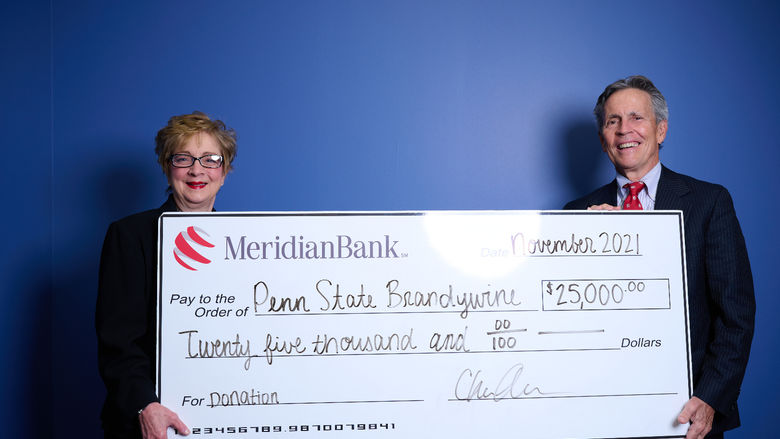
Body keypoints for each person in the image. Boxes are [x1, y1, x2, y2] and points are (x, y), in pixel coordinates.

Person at [564, 76, 755, 438]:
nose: (624, 130)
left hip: (686, 414)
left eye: (637, 118)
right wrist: (594, 248)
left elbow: (737, 316)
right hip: (600, 412)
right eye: (612, 121)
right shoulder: (576, 214)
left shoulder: (708, 203)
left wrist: (710, 398)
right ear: (603, 138)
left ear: (661, 130)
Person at [96, 111, 237, 438]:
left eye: (210, 159)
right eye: (183, 158)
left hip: (230, 418)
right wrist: (145, 405)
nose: (197, 170)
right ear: (165, 166)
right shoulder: (130, 236)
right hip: (151, 423)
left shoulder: (247, 243)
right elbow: (118, 343)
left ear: (225, 171)